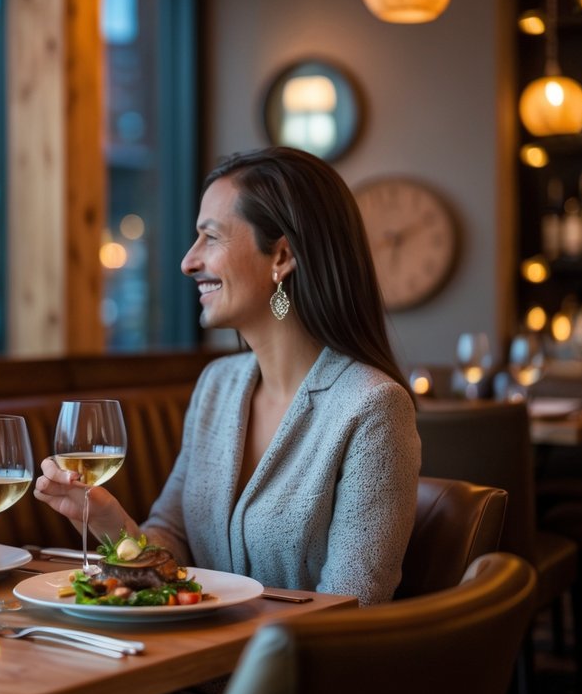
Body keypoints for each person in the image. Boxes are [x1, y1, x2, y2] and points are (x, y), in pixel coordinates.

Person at [36, 146, 420, 609]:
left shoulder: (373, 406)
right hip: (189, 663)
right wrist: (106, 521)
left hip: (287, 676)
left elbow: (352, 609)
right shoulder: (218, 385)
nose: (188, 262)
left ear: (281, 255)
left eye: (210, 238)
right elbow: (171, 548)